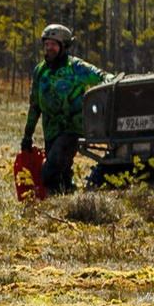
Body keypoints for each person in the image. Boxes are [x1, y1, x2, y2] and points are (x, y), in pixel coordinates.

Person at [20, 24, 104, 194]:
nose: (49, 49)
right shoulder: (40, 71)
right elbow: (34, 106)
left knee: (49, 172)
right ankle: (67, 206)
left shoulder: (76, 67)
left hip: (71, 130)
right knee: (63, 175)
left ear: (64, 46)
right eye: (46, 45)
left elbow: (102, 76)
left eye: (53, 44)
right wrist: (27, 136)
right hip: (51, 131)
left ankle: (56, 205)